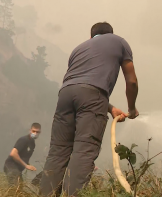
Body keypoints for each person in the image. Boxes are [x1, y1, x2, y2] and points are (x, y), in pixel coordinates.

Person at [40, 22, 139, 196]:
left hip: (65, 95)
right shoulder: (119, 41)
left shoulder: (79, 49)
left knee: (58, 150)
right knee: (84, 149)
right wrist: (132, 108)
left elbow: (80, 85)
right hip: (92, 97)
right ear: (110, 34)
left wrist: (109, 108)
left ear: (91, 36)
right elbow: (131, 81)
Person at [3, 123, 41, 188]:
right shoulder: (24, 140)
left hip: (18, 169)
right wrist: (26, 165)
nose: (35, 133)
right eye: (33, 131)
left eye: (37, 132)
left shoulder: (32, 144)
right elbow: (13, 153)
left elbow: (24, 156)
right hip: (11, 166)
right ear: (30, 130)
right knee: (15, 187)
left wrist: (29, 165)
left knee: (20, 188)